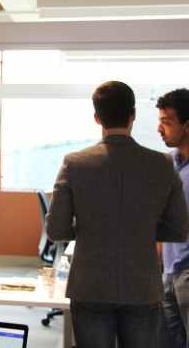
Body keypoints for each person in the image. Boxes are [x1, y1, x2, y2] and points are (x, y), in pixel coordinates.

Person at [46, 80, 189, 348]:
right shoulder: (162, 164)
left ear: (97, 117)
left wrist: (89, 226)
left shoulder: (74, 163)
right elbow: (179, 229)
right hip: (142, 287)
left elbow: (55, 230)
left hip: (90, 286)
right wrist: (141, 228)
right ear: (133, 114)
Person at [157, 88, 189, 348]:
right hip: (168, 270)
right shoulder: (171, 163)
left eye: (166, 122)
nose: (159, 128)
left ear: (187, 126)